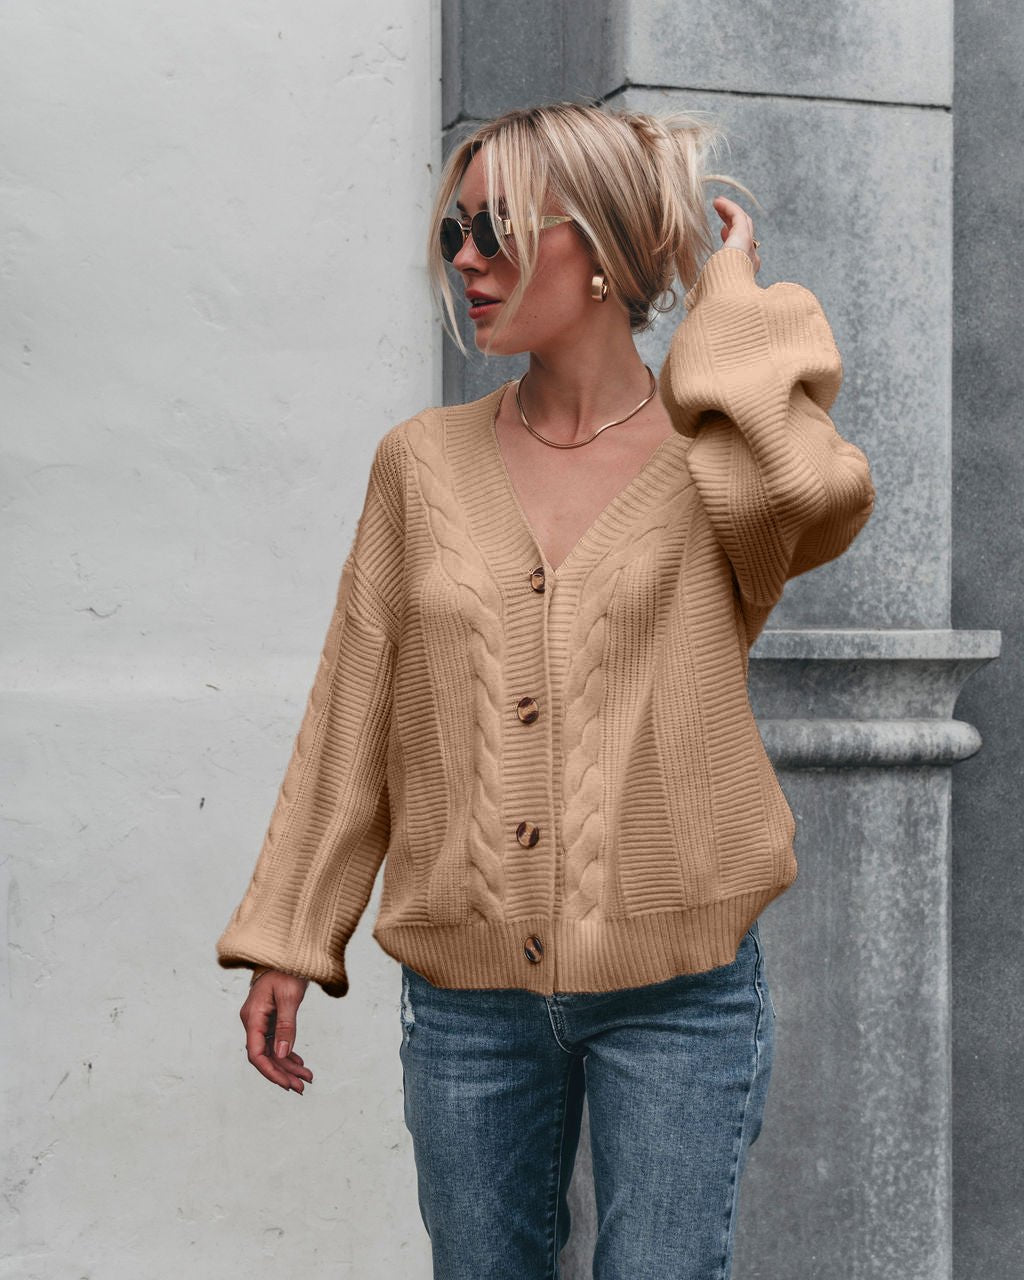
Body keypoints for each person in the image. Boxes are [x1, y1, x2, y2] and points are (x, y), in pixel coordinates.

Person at [217, 100, 875, 1278]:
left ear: (606, 249)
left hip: (682, 1000)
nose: (464, 258)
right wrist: (289, 934)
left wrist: (725, 315)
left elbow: (813, 495)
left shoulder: (715, 465)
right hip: (469, 1002)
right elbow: (354, 711)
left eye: (501, 229)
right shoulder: (418, 464)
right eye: (455, 230)